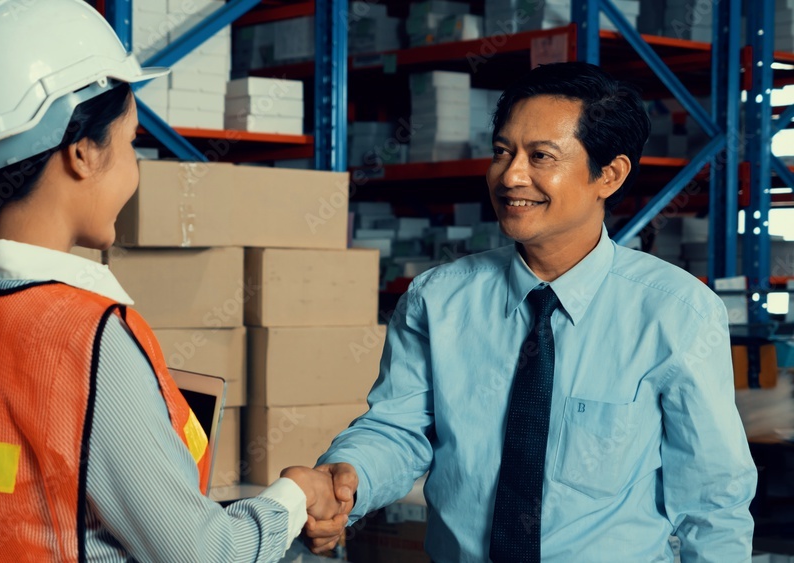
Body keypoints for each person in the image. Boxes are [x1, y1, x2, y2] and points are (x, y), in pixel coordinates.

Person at [0, 1, 343, 561]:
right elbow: (206, 554)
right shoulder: (86, 339)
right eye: (129, 142)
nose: (134, 167)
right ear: (81, 151)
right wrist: (297, 494)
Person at [300, 62, 757, 561]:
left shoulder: (676, 313)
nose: (511, 175)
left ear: (609, 174)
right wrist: (348, 479)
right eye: (502, 152)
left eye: (541, 156)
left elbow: (712, 500)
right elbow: (399, 429)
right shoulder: (437, 299)